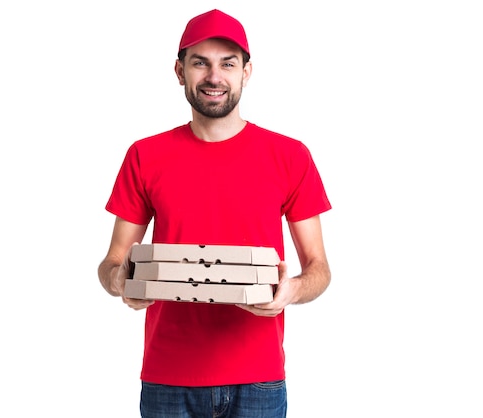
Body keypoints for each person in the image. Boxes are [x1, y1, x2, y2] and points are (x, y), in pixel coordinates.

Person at [98, 9, 332, 418]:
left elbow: (319, 269)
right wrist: (122, 282)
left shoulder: (290, 156)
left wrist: (291, 290)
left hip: (259, 378)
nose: (214, 76)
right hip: (168, 377)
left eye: (228, 63)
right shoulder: (144, 156)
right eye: (200, 62)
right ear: (179, 70)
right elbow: (112, 263)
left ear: (246, 72)